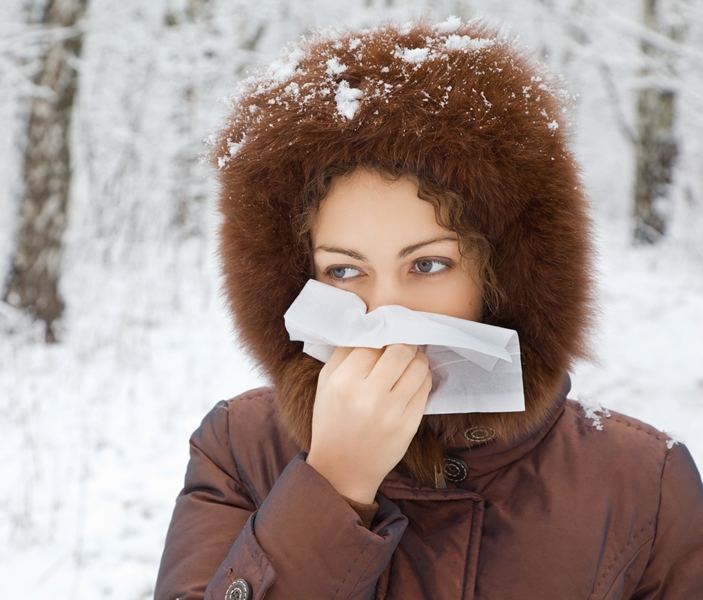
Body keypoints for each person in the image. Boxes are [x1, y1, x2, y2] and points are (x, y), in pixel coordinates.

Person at [154, 19, 703, 600]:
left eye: (427, 265)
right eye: (344, 271)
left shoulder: (644, 483)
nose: (385, 310)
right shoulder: (240, 448)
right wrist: (333, 485)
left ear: (503, 275)